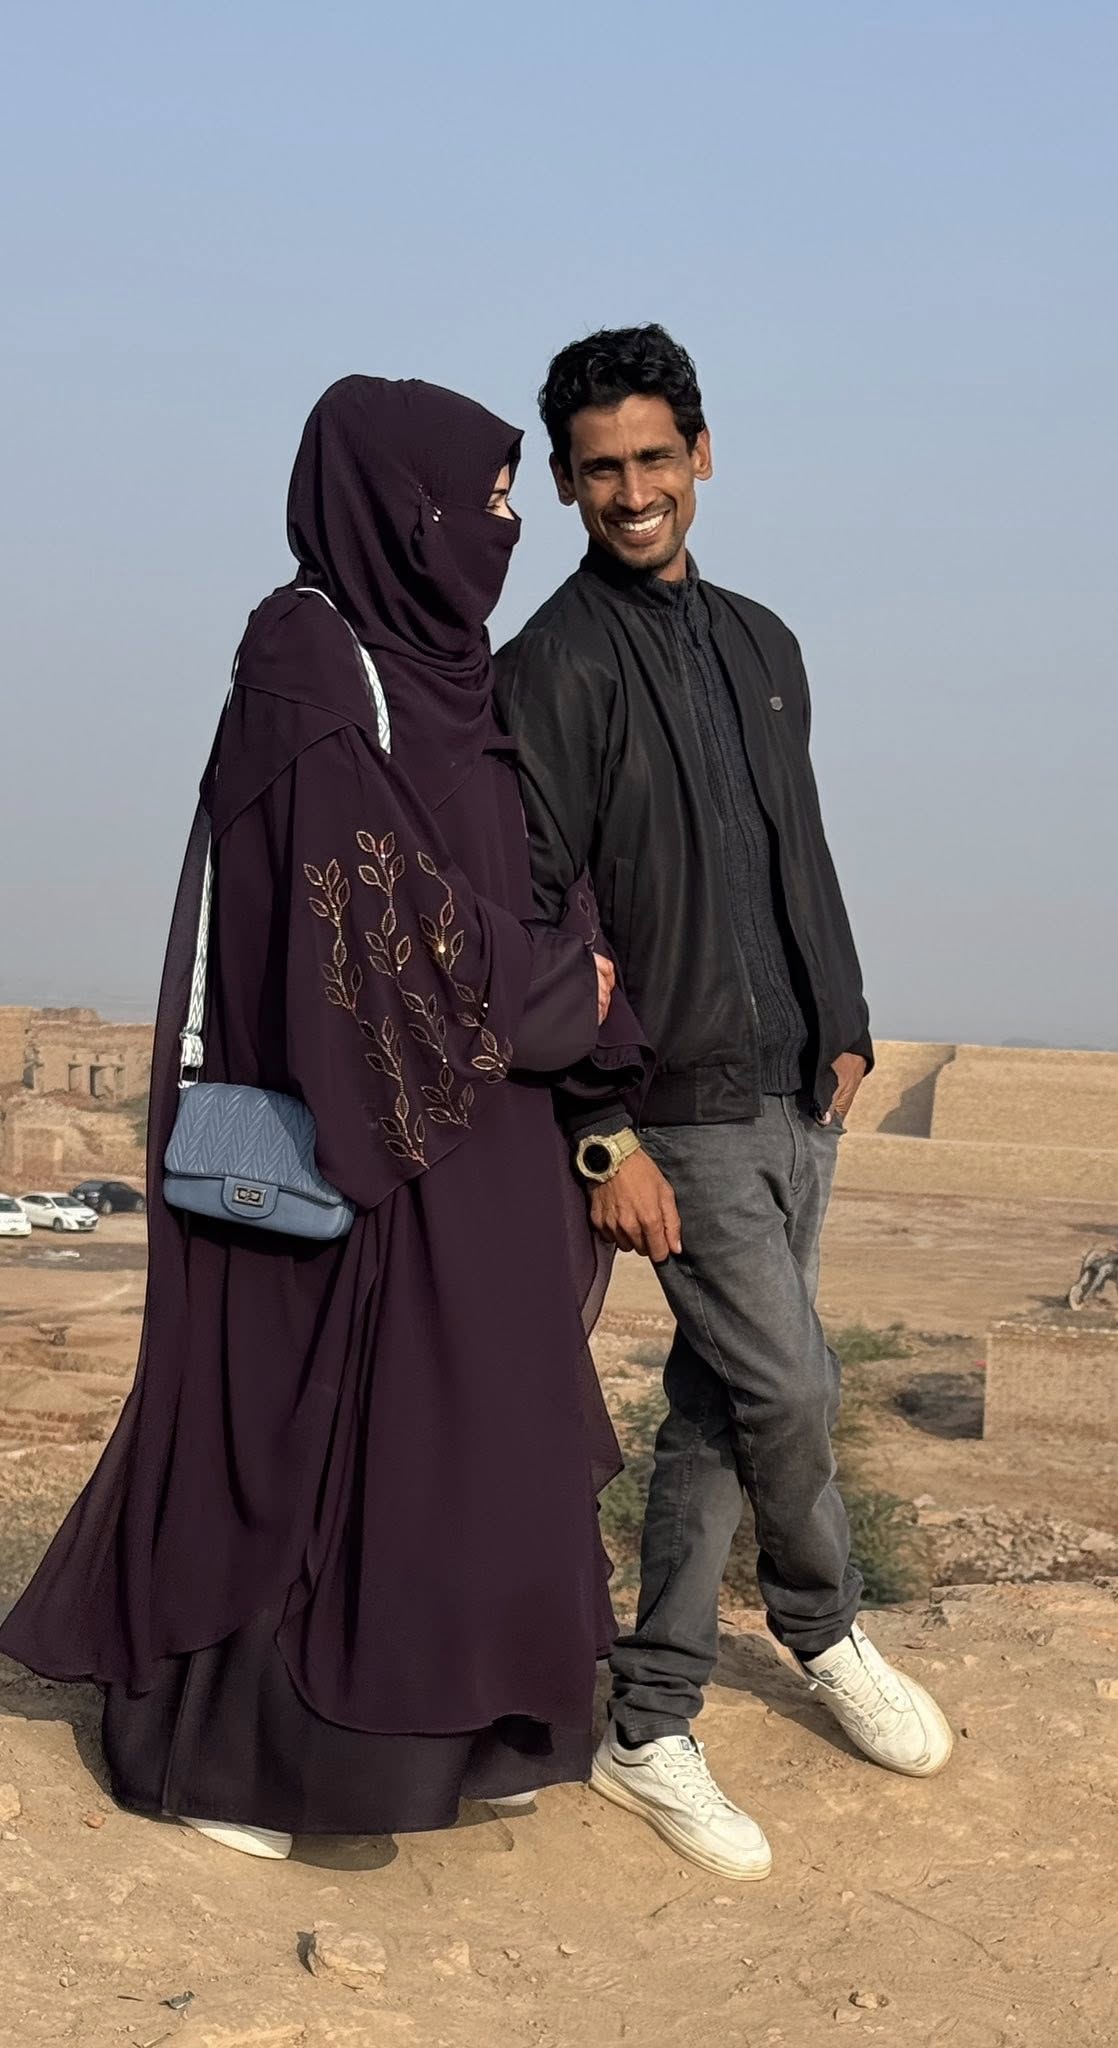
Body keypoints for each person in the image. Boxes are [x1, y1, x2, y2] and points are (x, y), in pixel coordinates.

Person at [0, 375, 647, 1857]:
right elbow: (362, 907)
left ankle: (408, 1764)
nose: (503, 525)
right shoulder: (307, 649)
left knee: (454, 1454)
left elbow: (530, 866)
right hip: (360, 1131)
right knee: (314, 1451)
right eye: (484, 498)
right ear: (395, 503)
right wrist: (559, 982)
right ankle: (242, 1768)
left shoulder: (462, 668)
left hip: (482, 1143)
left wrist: (582, 967)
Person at [495, 325, 953, 1884]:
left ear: (701, 456)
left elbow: (794, 851)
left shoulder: (764, 642)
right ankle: (822, 1628)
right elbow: (534, 924)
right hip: (667, 1104)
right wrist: (597, 1137)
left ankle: (649, 1720)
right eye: (597, 468)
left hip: (797, 1092)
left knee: (719, 1403)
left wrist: (848, 1016)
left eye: (651, 458)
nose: (630, 492)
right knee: (798, 1390)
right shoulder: (548, 666)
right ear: (565, 484)